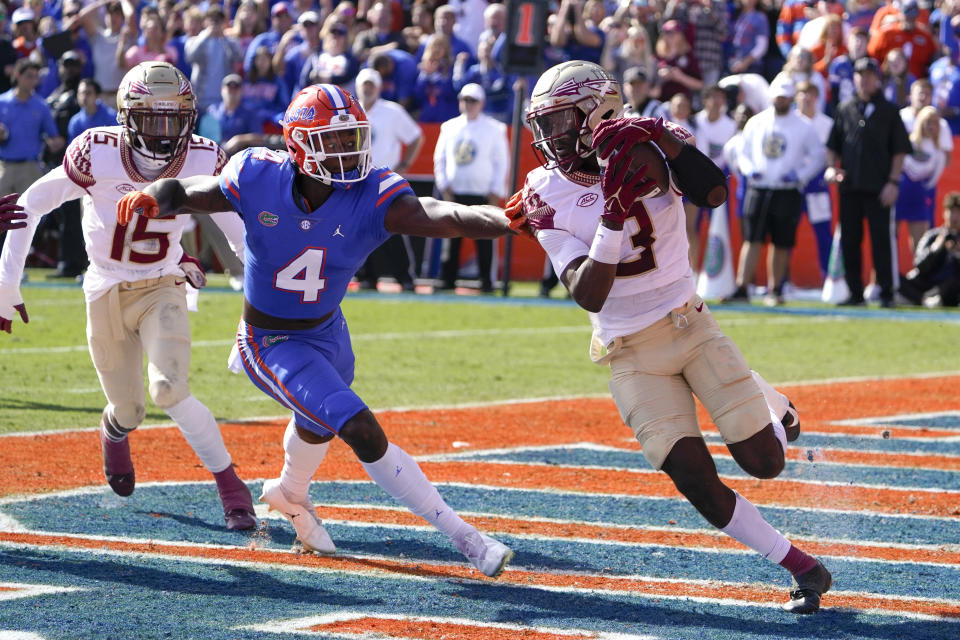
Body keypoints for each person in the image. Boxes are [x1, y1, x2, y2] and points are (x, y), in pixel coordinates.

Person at [112, 82, 515, 578]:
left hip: (329, 331)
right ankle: (467, 539)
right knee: (360, 428)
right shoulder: (258, 174)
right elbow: (189, 192)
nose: (349, 151)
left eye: (353, 138)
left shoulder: (374, 193)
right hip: (270, 340)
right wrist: (154, 195)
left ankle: (289, 494)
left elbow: (438, 213)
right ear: (301, 145)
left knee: (318, 419)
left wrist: (503, 219)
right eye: (336, 140)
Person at [505, 59, 831, 614]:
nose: (550, 138)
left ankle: (769, 402)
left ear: (597, 112)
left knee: (764, 461)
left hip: (689, 322)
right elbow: (588, 293)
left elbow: (714, 193)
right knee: (693, 479)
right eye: (546, 124)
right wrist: (611, 216)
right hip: (628, 349)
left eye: (561, 121)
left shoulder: (649, 142)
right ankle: (800, 566)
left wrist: (663, 140)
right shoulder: (543, 190)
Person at [0, 62, 256, 531]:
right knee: (130, 408)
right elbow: (32, 205)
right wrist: (5, 287)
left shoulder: (203, 158)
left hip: (163, 281)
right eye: (151, 120)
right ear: (126, 118)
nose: (163, 135)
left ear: (189, 119)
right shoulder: (96, 152)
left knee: (169, 388)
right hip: (105, 287)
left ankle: (230, 485)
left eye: (173, 120)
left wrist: (259, 308)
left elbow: (240, 238)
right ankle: (114, 429)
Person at [723, 78, 824, 306]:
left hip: (787, 190)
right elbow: (743, 152)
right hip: (759, 188)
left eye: (785, 97)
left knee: (781, 242)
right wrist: (749, 171)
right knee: (752, 239)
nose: (781, 101)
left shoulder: (803, 125)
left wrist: (799, 175)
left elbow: (817, 157)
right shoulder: (757, 122)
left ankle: (775, 289)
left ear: (791, 98)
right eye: (778, 97)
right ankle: (742, 287)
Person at [826, 56, 911, 307]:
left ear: (878, 79)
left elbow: (899, 150)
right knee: (850, 240)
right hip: (850, 186)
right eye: (860, 75)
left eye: (869, 75)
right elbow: (833, 144)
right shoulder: (845, 108)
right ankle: (855, 293)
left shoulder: (890, 111)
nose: (864, 80)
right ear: (854, 79)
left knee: (881, 241)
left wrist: (893, 182)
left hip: (879, 187)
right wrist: (832, 168)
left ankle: (886, 292)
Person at [433, 83, 509, 292]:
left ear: (481, 103)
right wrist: (444, 186)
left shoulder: (495, 129)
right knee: (451, 238)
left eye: (472, 100)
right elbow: (440, 158)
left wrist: (496, 191)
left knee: (485, 240)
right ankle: (447, 279)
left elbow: (501, 161)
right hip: (454, 192)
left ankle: (486, 281)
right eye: (465, 100)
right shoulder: (449, 127)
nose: (468, 104)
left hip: (482, 193)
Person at [354, 67, 422, 292]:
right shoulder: (351, 112)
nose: (368, 89)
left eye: (371, 85)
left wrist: (403, 165)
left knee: (392, 228)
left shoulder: (392, 112)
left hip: (385, 179)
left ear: (379, 88)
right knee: (361, 231)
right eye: (365, 85)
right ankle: (367, 276)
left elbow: (415, 137)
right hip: (358, 179)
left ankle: (405, 277)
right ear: (358, 87)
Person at [0, 59, 64, 227]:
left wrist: (56, 142)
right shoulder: (1, 102)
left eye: (36, 77)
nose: (33, 81)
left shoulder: (41, 106)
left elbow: (53, 136)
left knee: (27, 220)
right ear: (17, 76)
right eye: (29, 76)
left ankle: (27, 253)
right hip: (4, 167)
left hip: (30, 168)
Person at [899, 191, 960, 307]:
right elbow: (919, 265)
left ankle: (932, 299)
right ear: (944, 213)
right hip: (926, 283)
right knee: (895, 279)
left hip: (950, 286)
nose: (954, 217)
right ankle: (924, 300)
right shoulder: (932, 236)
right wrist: (935, 249)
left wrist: (957, 254)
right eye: (951, 211)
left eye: (958, 212)